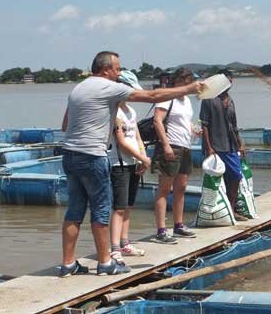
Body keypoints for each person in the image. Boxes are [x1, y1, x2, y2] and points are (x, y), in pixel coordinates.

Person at [59, 51, 203, 277]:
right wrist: (189, 89)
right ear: (106, 69)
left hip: (69, 154)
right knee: (101, 211)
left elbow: (65, 125)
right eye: (117, 69)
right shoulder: (108, 87)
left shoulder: (78, 88)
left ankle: (68, 265)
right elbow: (153, 96)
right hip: (93, 156)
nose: (119, 73)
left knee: (75, 211)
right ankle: (106, 263)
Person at [151, 68, 198, 244]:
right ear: (177, 81)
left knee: (181, 187)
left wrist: (193, 129)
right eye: (185, 82)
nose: (187, 86)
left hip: (186, 146)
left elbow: (184, 121)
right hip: (171, 146)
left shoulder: (186, 100)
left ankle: (178, 224)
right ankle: (161, 230)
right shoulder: (167, 96)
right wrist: (166, 145)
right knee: (164, 188)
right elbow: (157, 120)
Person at [109, 71, 150, 265]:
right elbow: (121, 142)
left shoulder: (130, 111)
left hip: (134, 162)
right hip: (119, 164)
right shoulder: (114, 112)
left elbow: (137, 136)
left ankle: (125, 242)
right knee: (119, 207)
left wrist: (143, 157)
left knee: (129, 205)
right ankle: (115, 248)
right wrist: (141, 157)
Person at [199, 69, 248, 222]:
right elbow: (204, 125)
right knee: (215, 182)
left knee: (235, 177)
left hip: (231, 145)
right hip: (215, 146)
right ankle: (215, 213)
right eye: (227, 79)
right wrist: (209, 147)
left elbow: (234, 125)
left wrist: (240, 143)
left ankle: (231, 210)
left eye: (231, 79)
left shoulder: (230, 100)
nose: (230, 82)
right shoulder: (208, 99)